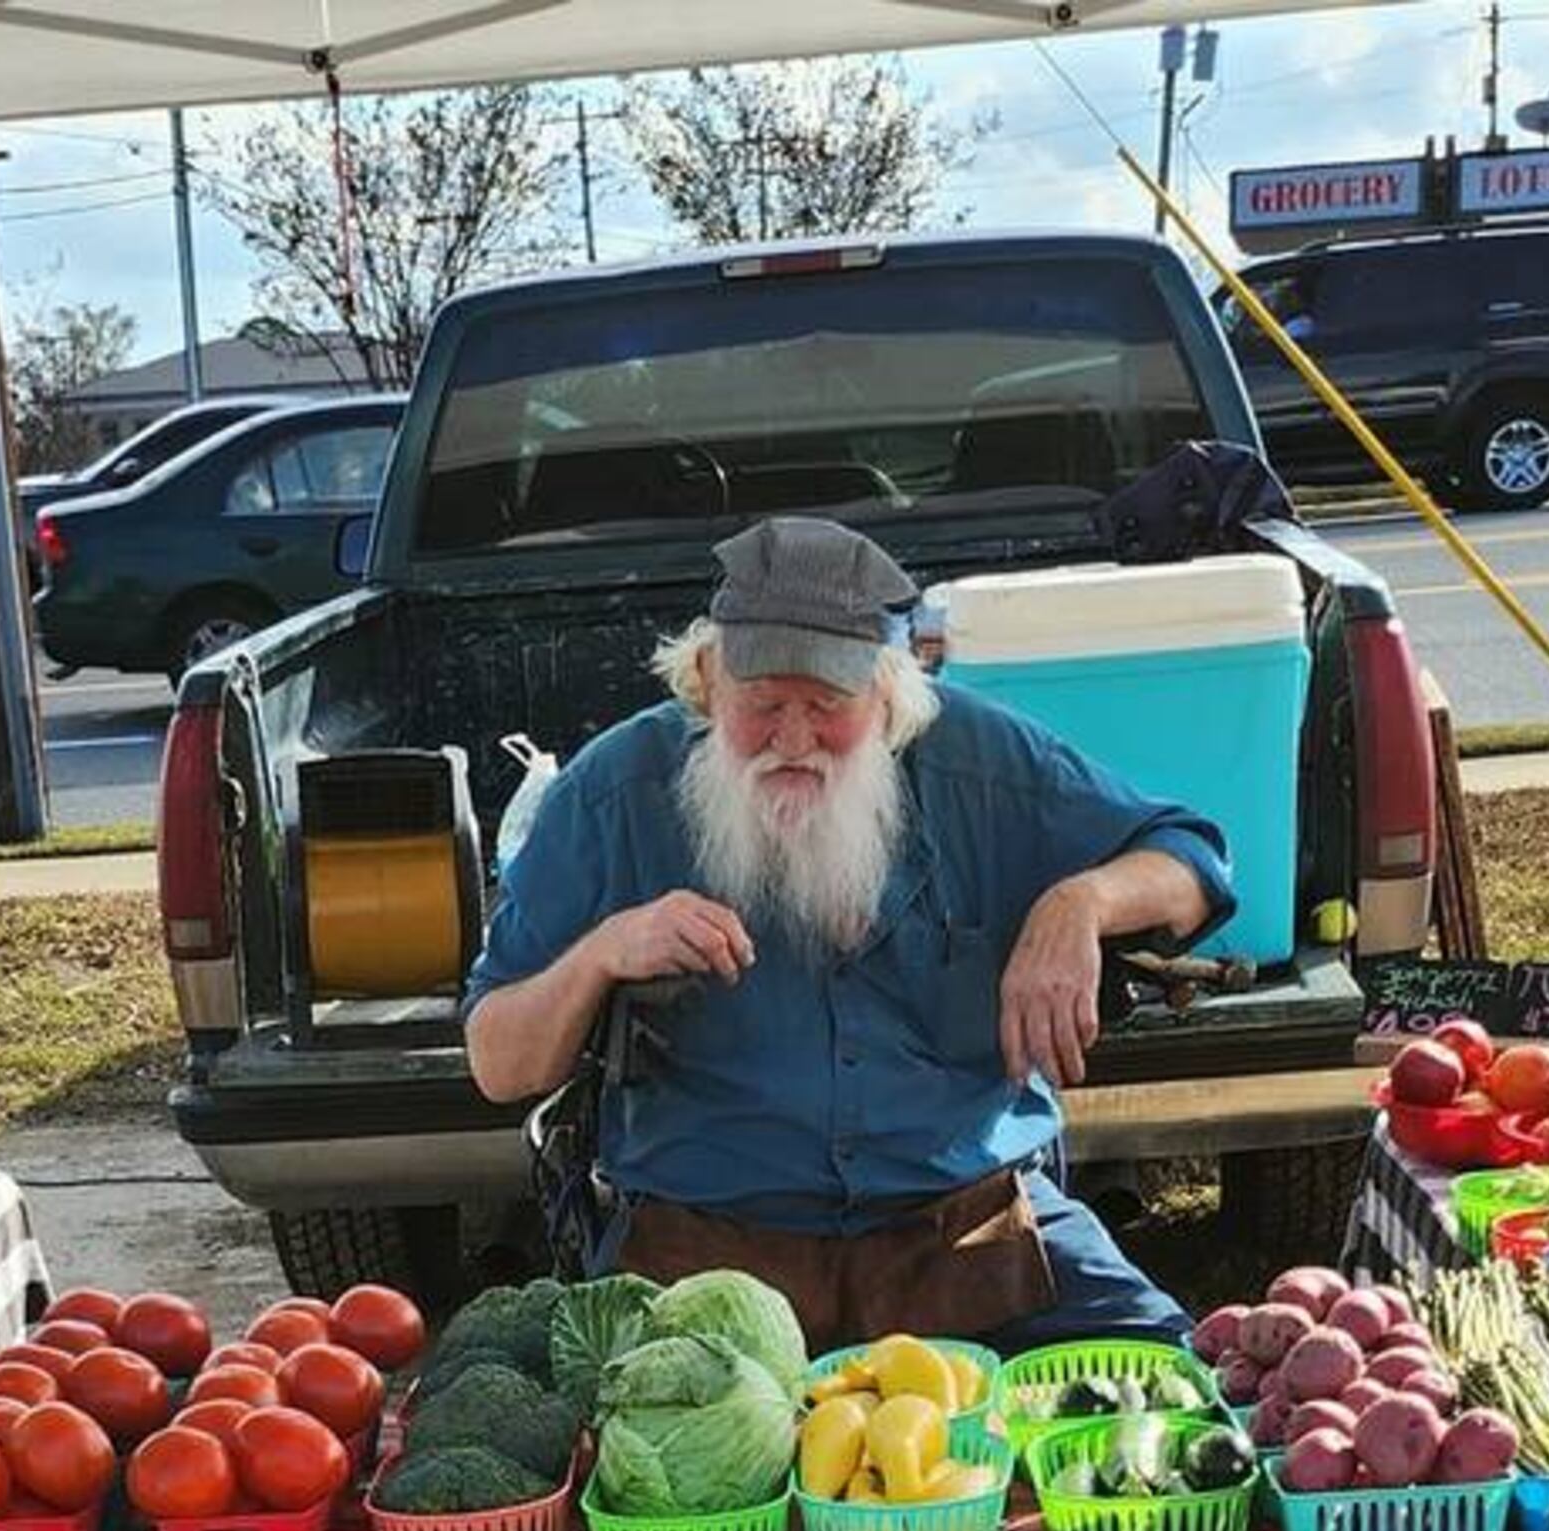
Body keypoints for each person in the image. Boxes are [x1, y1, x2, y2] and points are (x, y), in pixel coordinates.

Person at [462, 515, 1230, 1352]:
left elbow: (1192, 861)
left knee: (1173, 1387)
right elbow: (500, 1064)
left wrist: (1080, 902)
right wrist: (603, 952)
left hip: (969, 1233)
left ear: (892, 694)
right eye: (762, 705)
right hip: (706, 1260)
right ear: (708, 680)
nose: (793, 739)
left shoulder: (980, 760)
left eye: (827, 706)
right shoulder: (612, 791)